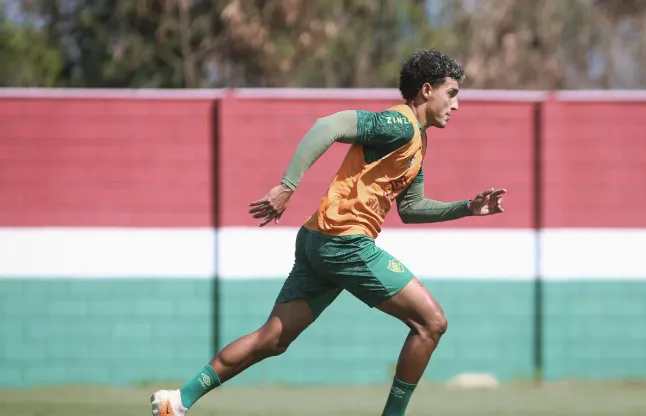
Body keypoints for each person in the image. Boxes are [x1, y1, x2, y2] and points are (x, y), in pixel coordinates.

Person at [150, 48, 506, 416]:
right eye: (453, 93)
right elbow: (328, 125)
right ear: (427, 90)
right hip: (344, 242)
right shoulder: (399, 125)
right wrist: (288, 185)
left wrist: (468, 207)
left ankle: (176, 401)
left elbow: (411, 209)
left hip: (317, 240)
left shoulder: (418, 142)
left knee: (272, 340)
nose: (457, 104)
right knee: (431, 323)